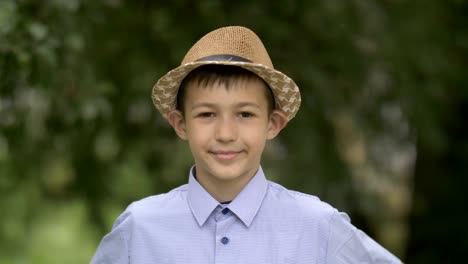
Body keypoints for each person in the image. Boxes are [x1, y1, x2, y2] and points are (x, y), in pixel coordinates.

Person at [90, 26, 402, 264]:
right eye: (207, 114)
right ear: (180, 123)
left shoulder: (318, 226)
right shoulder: (140, 228)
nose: (226, 133)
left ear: (273, 124)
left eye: (245, 114)